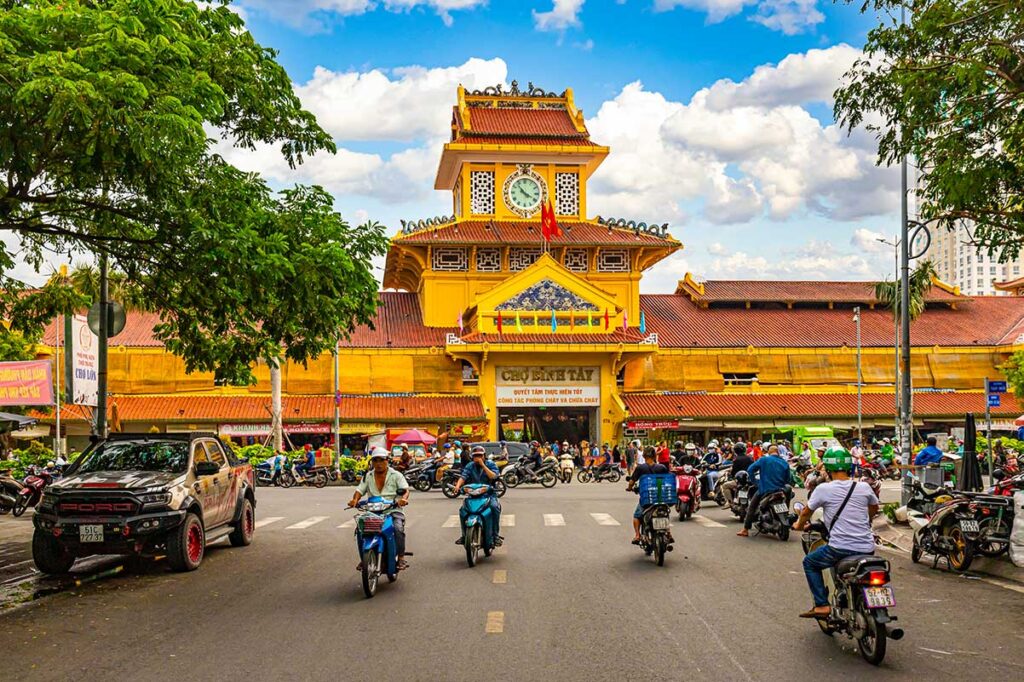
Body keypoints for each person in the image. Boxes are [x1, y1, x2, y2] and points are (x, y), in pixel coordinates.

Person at [792, 447, 879, 618]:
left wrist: (799, 525)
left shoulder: (824, 489)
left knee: (810, 563)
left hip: (839, 548)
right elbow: (873, 508)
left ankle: (822, 605)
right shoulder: (863, 487)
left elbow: (806, 512)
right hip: (867, 548)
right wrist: (866, 521)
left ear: (828, 469)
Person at [348, 447, 411, 570]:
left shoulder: (396, 475)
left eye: (381, 460)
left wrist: (403, 499)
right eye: (375, 460)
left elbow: (405, 490)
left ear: (387, 461)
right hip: (372, 511)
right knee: (360, 530)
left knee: (398, 529)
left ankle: (401, 558)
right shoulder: (368, 476)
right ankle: (364, 559)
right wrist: (355, 500)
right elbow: (359, 490)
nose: (378, 464)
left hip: (392, 510)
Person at [452, 445, 502, 547]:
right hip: (473, 495)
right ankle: (464, 535)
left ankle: (495, 536)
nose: (478, 458)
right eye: (475, 456)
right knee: (463, 511)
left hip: (488, 495)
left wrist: (483, 465)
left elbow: (494, 476)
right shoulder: (470, 465)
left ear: (484, 456)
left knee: (494, 508)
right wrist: (457, 486)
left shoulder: (491, 464)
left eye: (480, 455)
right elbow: (463, 476)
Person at [737, 445, 791, 537]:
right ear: (777, 452)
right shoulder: (784, 463)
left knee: (752, 506)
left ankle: (745, 529)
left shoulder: (763, 460)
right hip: (780, 490)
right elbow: (788, 479)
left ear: (769, 452)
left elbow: (750, 470)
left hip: (765, 489)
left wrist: (755, 482)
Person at [626, 447, 670, 545]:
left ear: (644, 456)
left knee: (637, 516)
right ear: (655, 456)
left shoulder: (641, 468)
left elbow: (632, 481)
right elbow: (667, 481)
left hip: (647, 499)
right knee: (664, 513)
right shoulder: (662, 467)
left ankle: (637, 535)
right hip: (660, 497)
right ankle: (669, 533)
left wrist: (629, 488)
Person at [721, 442, 753, 506]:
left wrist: (731, 474)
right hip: (750, 481)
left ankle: (730, 502)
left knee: (725, 485)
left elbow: (734, 472)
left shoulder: (736, 460)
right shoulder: (750, 458)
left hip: (740, 482)